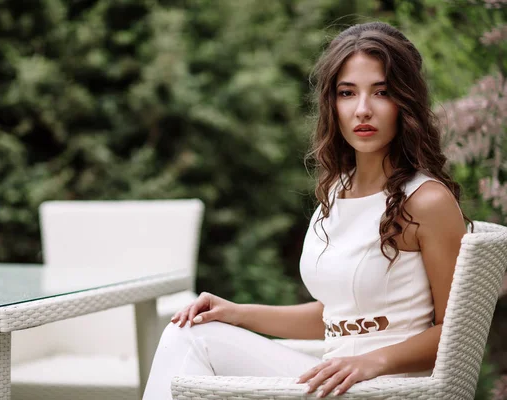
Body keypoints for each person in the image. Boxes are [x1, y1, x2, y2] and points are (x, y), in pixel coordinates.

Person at [142, 21, 469, 399]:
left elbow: (458, 331)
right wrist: (235, 311)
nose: (362, 109)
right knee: (190, 334)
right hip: (334, 380)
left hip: (385, 389)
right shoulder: (337, 190)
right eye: (348, 93)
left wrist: (371, 362)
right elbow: (333, 318)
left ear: (405, 101)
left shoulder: (426, 201)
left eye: (381, 92)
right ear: (333, 104)